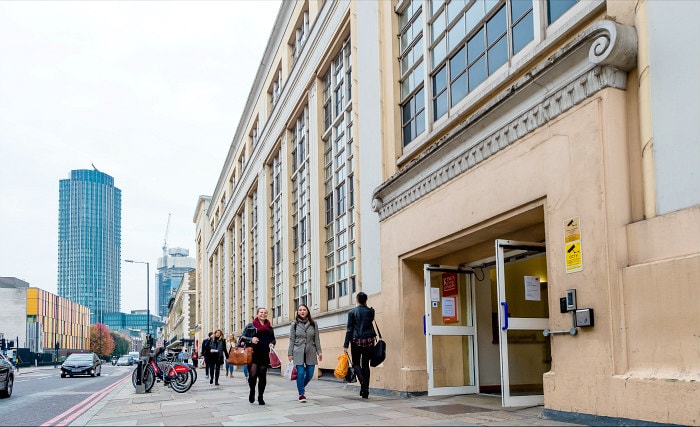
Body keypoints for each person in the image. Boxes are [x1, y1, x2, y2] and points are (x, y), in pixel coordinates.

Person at [343, 291, 377, 399]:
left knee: (356, 363)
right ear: (366, 300)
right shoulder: (371, 311)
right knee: (365, 364)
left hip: (356, 340)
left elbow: (349, 329)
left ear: (357, 300)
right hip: (369, 341)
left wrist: (345, 344)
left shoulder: (352, 312)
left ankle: (363, 383)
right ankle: (365, 390)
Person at [240, 307, 276, 405]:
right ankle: (252, 391)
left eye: (265, 313)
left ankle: (260, 397)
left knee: (262, 377)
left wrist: (272, 344)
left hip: (264, 354)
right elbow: (241, 338)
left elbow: (273, 339)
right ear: (257, 314)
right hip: (252, 354)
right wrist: (250, 340)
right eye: (261, 312)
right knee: (252, 376)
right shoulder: (250, 326)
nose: (263, 314)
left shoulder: (269, 328)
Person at [288, 304, 323, 402]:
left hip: (311, 351)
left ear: (307, 311)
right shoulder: (294, 324)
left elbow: (317, 339)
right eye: (300, 310)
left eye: (304, 310)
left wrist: (319, 352)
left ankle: (301, 386)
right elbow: (291, 340)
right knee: (301, 373)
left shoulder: (313, 323)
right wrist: (290, 353)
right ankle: (301, 394)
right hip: (297, 351)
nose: (302, 311)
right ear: (297, 312)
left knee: (310, 374)